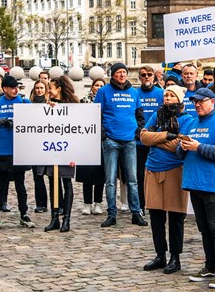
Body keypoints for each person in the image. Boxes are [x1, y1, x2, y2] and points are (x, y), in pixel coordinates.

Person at [178, 88, 215, 289]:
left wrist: (199, 147)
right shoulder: (192, 123)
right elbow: (181, 153)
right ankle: (210, 266)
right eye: (195, 102)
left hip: (213, 183)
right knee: (203, 228)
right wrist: (182, 146)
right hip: (194, 182)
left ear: (212, 101)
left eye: (201, 102)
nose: (198, 105)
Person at [139, 85, 192, 272]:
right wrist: (166, 136)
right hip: (152, 169)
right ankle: (160, 254)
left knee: (175, 217)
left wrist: (157, 140)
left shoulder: (186, 119)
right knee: (156, 216)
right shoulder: (157, 115)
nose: (167, 98)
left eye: (171, 95)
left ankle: (175, 257)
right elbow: (143, 136)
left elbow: (179, 145)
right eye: (165, 95)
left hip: (174, 170)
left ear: (179, 99)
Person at [95, 62, 146, 228]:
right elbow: (96, 114)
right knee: (110, 180)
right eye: (118, 73)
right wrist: (104, 135)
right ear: (113, 75)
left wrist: (136, 133)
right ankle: (111, 213)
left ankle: (136, 212)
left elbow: (140, 116)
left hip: (129, 140)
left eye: (124, 72)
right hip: (110, 140)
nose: (122, 75)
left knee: (132, 179)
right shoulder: (103, 92)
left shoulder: (134, 92)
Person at [0, 75, 32, 230]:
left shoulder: (24, 102)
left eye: (17, 87)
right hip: (1, 151)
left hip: (20, 150)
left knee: (20, 186)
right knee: (0, 186)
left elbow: (37, 119)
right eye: (12, 87)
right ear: (4, 89)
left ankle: (24, 214)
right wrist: (0, 121)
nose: (15, 90)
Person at [42, 76, 80, 232]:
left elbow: (79, 130)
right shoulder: (49, 106)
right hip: (52, 149)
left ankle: (67, 219)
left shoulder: (72, 106)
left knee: (66, 182)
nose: (48, 91)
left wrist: (75, 154)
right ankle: (54, 218)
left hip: (67, 149)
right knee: (52, 182)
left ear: (58, 89)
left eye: (50, 88)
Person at [135, 66, 164, 217]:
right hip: (139, 142)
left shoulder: (161, 93)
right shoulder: (135, 93)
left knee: (157, 174)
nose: (146, 77)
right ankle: (141, 204)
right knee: (140, 175)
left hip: (157, 142)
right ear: (139, 78)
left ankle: (156, 203)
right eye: (143, 75)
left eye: (149, 75)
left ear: (154, 77)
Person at [78, 78, 106, 215]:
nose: (99, 87)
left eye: (101, 85)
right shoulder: (84, 100)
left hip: (101, 139)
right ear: (92, 86)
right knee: (86, 174)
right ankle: (87, 203)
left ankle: (98, 202)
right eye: (97, 85)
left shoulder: (106, 101)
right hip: (86, 140)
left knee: (100, 174)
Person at [28, 80, 50, 213]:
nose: (39, 90)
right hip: (35, 144)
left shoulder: (51, 104)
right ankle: (41, 203)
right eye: (37, 88)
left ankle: (57, 203)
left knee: (53, 175)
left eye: (42, 88)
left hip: (49, 143)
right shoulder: (29, 105)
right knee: (38, 175)